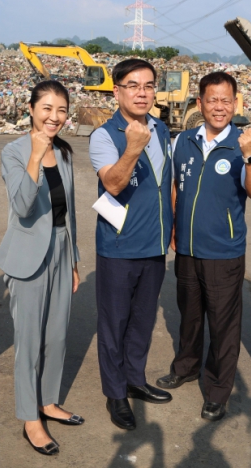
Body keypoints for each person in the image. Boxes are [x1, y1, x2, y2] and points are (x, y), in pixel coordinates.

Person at [155, 72, 251, 421]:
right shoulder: (183, 140)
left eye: (226, 100)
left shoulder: (244, 143)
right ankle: (185, 367)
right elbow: (175, 184)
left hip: (223, 251)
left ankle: (217, 390)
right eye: (212, 100)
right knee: (188, 315)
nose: (219, 107)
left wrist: (249, 156)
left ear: (235, 103)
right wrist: (174, 223)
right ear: (199, 103)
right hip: (186, 249)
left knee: (223, 324)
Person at [0, 81, 83, 456]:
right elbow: (24, 205)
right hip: (29, 255)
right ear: (31, 109)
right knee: (28, 342)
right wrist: (34, 156)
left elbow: (70, 210)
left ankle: (48, 401)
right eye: (46, 108)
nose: (54, 116)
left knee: (58, 335)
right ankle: (31, 418)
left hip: (61, 249)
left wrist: (75, 260)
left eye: (61, 109)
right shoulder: (13, 152)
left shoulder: (63, 152)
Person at [89, 59, 174, 431]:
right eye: (133, 85)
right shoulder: (105, 135)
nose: (142, 92)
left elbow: (166, 183)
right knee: (114, 324)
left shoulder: (162, 129)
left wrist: (170, 228)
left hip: (154, 246)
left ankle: (135, 380)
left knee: (143, 320)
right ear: (116, 91)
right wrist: (133, 147)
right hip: (119, 248)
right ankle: (116, 393)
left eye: (149, 85)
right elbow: (113, 184)